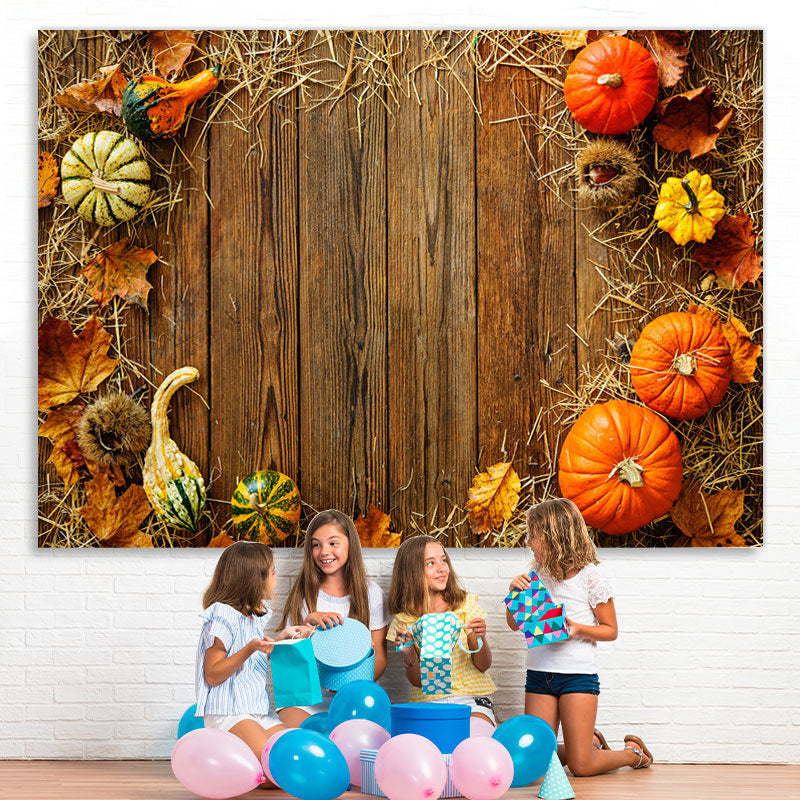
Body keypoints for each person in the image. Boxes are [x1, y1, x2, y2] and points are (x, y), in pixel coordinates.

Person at [507, 497, 653, 776]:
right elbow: (515, 625)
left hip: (577, 677)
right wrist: (515, 592)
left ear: (552, 538)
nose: (528, 542)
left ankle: (633, 755)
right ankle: (590, 744)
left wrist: (577, 629)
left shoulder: (590, 578)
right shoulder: (535, 573)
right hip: (539, 675)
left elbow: (610, 630)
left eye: (533, 536)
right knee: (536, 759)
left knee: (580, 766)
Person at [196, 540, 313, 781]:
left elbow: (253, 656)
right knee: (277, 771)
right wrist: (250, 648)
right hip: (230, 712)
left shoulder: (251, 617)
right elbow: (213, 674)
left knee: (295, 758)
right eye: (273, 572)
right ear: (253, 578)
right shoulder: (223, 616)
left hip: (257, 711)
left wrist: (282, 638)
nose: (276, 578)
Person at [278, 509, 390, 726]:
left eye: (333, 543)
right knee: (295, 736)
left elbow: (379, 658)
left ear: (350, 544)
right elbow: (290, 661)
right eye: (316, 544)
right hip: (306, 697)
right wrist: (306, 628)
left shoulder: (371, 593)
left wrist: (348, 686)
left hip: (354, 695)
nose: (323, 552)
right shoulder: (304, 594)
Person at [387, 535, 496, 726]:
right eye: (431, 563)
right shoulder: (405, 620)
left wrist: (479, 637)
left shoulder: (465, 605)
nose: (441, 568)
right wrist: (408, 655)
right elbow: (418, 682)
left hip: (471, 700)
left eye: (443, 560)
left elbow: (483, 665)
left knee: (474, 736)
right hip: (429, 702)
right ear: (412, 572)